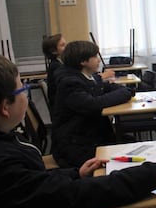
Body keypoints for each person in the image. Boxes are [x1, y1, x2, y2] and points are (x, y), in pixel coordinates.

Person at [0, 53, 156, 208]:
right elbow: (71, 196)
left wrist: (75, 174)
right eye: (22, 89)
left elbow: (38, 186)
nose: (25, 94)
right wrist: (154, 173)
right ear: (5, 107)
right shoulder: (0, 162)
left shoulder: (5, 141)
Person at [51, 40, 131, 168]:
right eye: (95, 56)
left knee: (129, 143)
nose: (99, 60)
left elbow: (113, 90)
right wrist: (123, 93)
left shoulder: (88, 77)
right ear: (83, 61)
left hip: (90, 136)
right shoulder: (70, 83)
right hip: (75, 145)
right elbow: (93, 105)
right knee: (126, 150)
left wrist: (124, 91)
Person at [42, 34, 115, 114]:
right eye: (62, 45)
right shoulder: (57, 67)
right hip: (67, 110)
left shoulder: (62, 64)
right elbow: (79, 80)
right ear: (54, 51)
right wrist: (100, 77)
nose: (67, 47)